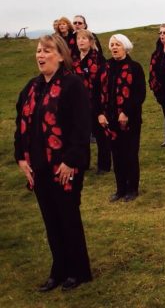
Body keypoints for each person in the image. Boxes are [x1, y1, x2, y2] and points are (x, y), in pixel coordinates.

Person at [14, 34, 92, 291]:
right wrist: (21, 158)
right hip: (39, 167)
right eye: (38, 51)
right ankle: (59, 269)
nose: (40, 55)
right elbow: (21, 126)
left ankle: (78, 270)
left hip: (64, 167)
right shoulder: (32, 87)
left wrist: (70, 161)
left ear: (60, 55)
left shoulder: (72, 85)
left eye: (46, 51)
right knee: (51, 219)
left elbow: (81, 128)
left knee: (68, 217)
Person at [96, 34, 146, 202]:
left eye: (118, 44)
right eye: (112, 45)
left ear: (125, 46)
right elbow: (96, 93)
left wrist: (126, 112)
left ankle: (132, 189)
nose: (114, 47)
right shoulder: (105, 67)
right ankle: (120, 189)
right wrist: (100, 113)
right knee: (116, 155)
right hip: (109, 120)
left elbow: (139, 94)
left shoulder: (135, 67)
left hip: (130, 120)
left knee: (130, 154)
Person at [73, 29, 111, 174]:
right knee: (82, 135)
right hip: (80, 104)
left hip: (96, 103)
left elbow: (103, 85)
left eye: (84, 38)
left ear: (90, 41)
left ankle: (104, 165)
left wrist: (101, 108)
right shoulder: (75, 60)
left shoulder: (99, 59)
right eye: (78, 39)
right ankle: (84, 163)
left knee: (101, 136)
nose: (81, 41)